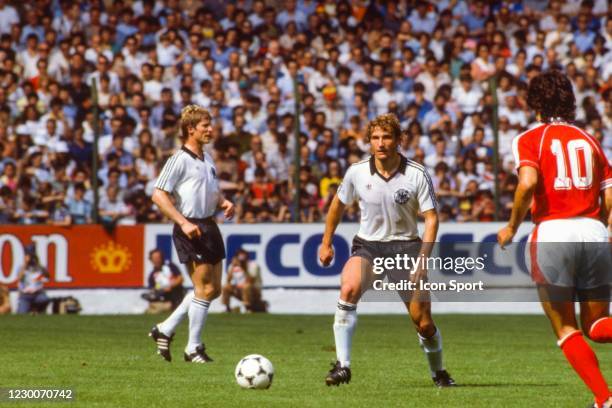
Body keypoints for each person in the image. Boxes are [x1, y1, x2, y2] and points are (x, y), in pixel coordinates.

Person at [497, 70, 612, 408]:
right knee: (598, 324)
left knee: (565, 327)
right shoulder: (589, 139)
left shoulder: (530, 138)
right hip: (594, 232)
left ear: (533, 103)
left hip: (554, 231)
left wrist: (512, 226)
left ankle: (605, 398)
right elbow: (610, 196)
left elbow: (528, 183)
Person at [318, 113, 455, 387]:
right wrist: (326, 241)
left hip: (407, 248)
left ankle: (438, 372)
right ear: (369, 141)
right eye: (375, 138)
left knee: (424, 324)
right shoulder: (356, 172)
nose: (380, 143)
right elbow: (337, 205)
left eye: (387, 137)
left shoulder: (416, 173)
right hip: (368, 245)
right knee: (348, 289)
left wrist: (422, 261)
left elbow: (431, 218)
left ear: (399, 140)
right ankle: (342, 366)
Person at [149, 105, 234, 363]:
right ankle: (193, 348)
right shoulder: (179, 159)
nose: (210, 129)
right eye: (205, 125)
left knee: (213, 290)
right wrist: (183, 222)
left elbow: (208, 189)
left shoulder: (207, 159)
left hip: (209, 225)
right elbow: (158, 194)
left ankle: (164, 329)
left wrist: (223, 202)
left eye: (210, 124)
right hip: (191, 227)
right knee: (204, 288)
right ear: (190, 129)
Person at [221, 248, 265, 313]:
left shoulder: (253, 265)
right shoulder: (233, 266)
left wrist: (244, 268)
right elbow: (228, 280)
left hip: (254, 291)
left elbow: (251, 280)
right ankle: (227, 308)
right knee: (226, 287)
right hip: (239, 290)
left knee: (246, 286)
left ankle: (248, 308)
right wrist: (233, 266)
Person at [142, 248, 185, 313]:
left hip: (176, 296)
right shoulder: (152, 275)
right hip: (163, 299)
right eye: (155, 258)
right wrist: (158, 290)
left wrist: (170, 286)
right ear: (151, 260)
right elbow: (154, 289)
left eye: (158, 257)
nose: (157, 260)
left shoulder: (170, 266)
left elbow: (180, 278)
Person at [16, 244, 50, 314]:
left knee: (44, 299)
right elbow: (19, 278)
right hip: (25, 295)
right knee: (21, 314)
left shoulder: (39, 267)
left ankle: (37, 310)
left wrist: (38, 263)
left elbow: (47, 276)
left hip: (38, 294)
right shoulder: (21, 267)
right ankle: (29, 308)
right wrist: (25, 264)